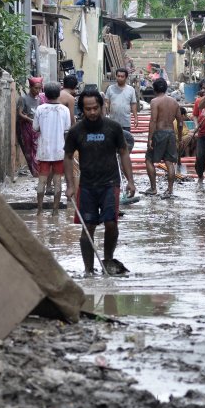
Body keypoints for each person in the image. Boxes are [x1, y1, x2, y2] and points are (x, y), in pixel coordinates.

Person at [64, 90, 136, 275]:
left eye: (96, 108)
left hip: (110, 184)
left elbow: (123, 152)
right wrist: (71, 185)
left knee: (111, 223)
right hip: (87, 186)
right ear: (82, 110)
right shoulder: (76, 131)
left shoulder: (113, 128)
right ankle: (88, 269)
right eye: (88, 109)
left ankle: (108, 259)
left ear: (101, 106)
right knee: (88, 227)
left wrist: (130, 180)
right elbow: (68, 156)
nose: (93, 112)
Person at [33, 82, 71, 215]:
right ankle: (55, 211)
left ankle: (39, 210)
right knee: (57, 181)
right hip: (59, 151)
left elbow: (35, 128)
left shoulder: (40, 109)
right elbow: (67, 130)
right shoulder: (64, 110)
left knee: (42, 180)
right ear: (58, 93)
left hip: (44, 150)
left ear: (45, 94)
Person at [144, 78, 184, 199]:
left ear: (155, 90)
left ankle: (153, 188)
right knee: (169, 162)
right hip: (171, 133)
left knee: (149, 160)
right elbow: (180, 122)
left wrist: (149, 138)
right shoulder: (174, 102)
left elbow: (153, 121)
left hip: (159, 133)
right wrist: (180, 138)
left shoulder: (155, 102)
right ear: (165, 89)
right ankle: (170, 190)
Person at [105, 68, 139, 152]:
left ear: (126, 77)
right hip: (113, 121)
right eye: (118, 76)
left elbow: (133, 104)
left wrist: (135, 118)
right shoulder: (110, 89)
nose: (120, 78)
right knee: (112, 144)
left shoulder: (131, 89)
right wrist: (105, 114)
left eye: (122, 76)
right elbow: (106, 102)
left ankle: (123, 163)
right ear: (116, 76)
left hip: (125, 122)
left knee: (125, 145)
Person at [15, 77, 43, 178]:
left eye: (39, 88)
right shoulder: (23, 99)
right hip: (26, 127)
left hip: (36, 128)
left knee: (37, 149)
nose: (38, 91)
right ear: (30, 87)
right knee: (28, 150)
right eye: (36, 88)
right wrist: (29, 119)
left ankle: (37, 171)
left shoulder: (40, 99)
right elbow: (19, 113)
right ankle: (33, 171)